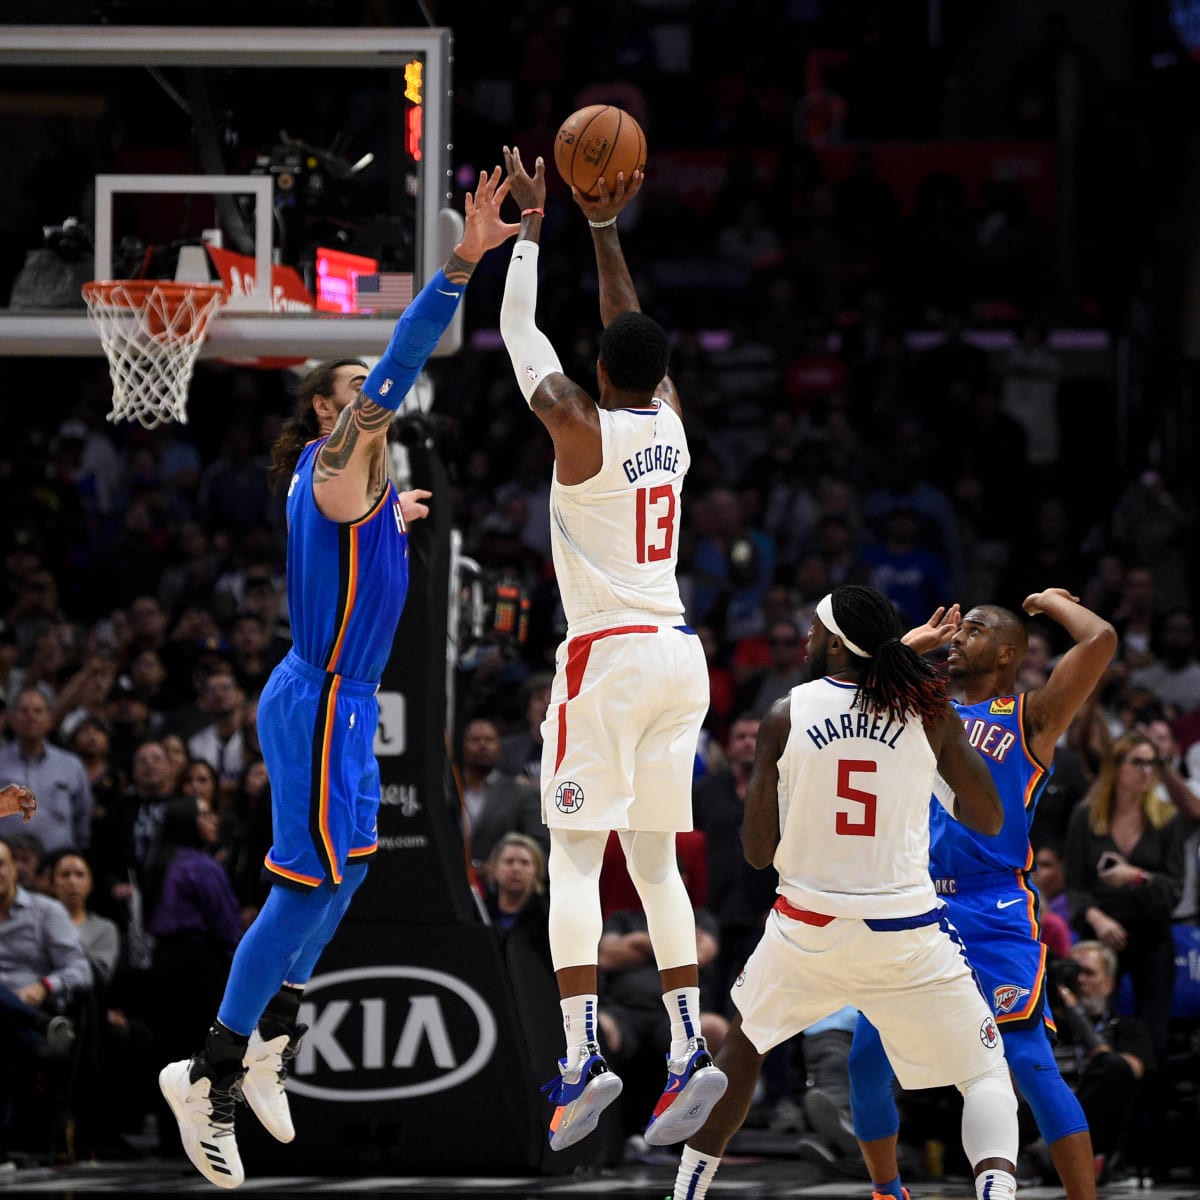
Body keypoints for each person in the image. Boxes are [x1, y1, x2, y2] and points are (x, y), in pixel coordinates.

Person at [157, 166, 519, 1189]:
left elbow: (359, 548)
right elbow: (403, 359)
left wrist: (398, 527)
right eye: (354, 389)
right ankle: (210, 1074)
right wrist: (461, 261)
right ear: (327, 406)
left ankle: (274, 1040)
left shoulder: (363, 486)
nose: (374, 397)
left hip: (343, 704)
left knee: (351, 867)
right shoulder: (340, 457)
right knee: (300, 884)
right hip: (319, 701)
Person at [499, 147, 727, 1153]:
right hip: (681, 656)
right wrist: (602, 230)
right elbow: (631, 330)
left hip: (608, 655)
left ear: (599, 370)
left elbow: (516, 330)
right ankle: (687, 1050)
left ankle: (581, 1056)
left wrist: (529, 229)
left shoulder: (575, 425)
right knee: (658, 867)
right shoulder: (670, 424)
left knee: (577, 863)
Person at [668, 585, 1018, 1200]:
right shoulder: (928, 709)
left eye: (812, 629)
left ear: (834, 643)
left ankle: (687, 1193)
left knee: (744, 1051)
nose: (804, 639)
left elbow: (755, 852)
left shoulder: (785, 712)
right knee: (984, 1072)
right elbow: (988, 819)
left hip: (806, 927)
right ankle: (996, 1194)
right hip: (906, 932)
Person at [848, 589, 1117, 1200]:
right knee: (867, 1055)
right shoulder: (919, 708)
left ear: (1004, 654)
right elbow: (841, 696)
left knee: (1026, 1060)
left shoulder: (1031, 718)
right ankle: (888, 1190)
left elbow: (1099, 642)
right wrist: (906, 645)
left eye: (971, 631)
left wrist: (1049, 603)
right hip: (914, 902)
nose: (956, 637)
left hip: (992, 903)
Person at [1062, 730, 1186, 1060]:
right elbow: (1074, 884)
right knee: (1098, 1032)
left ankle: (1150, 1109)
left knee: (1152, 1036)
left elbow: (1175, 890)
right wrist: (1097, 918)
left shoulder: (1166, 819)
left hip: (1152, 935)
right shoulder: (1085, 817)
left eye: (1153, 763)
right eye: (1138, 763)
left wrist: (1137, 876)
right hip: (1102, 933)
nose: (1147, 771)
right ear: (1117, 766)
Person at [1047, 940, 1153, 1182]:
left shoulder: (1128, 1028)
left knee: (1114, 1067)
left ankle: (1051, 1155)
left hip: (1096, 1132)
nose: (1080, 981)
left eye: (1089, 973)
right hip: (1045, 1120)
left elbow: (1123, 1071)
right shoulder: (1049, 1026)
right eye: (1074, 972)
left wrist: (1076, 1014)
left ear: (1109, 984)